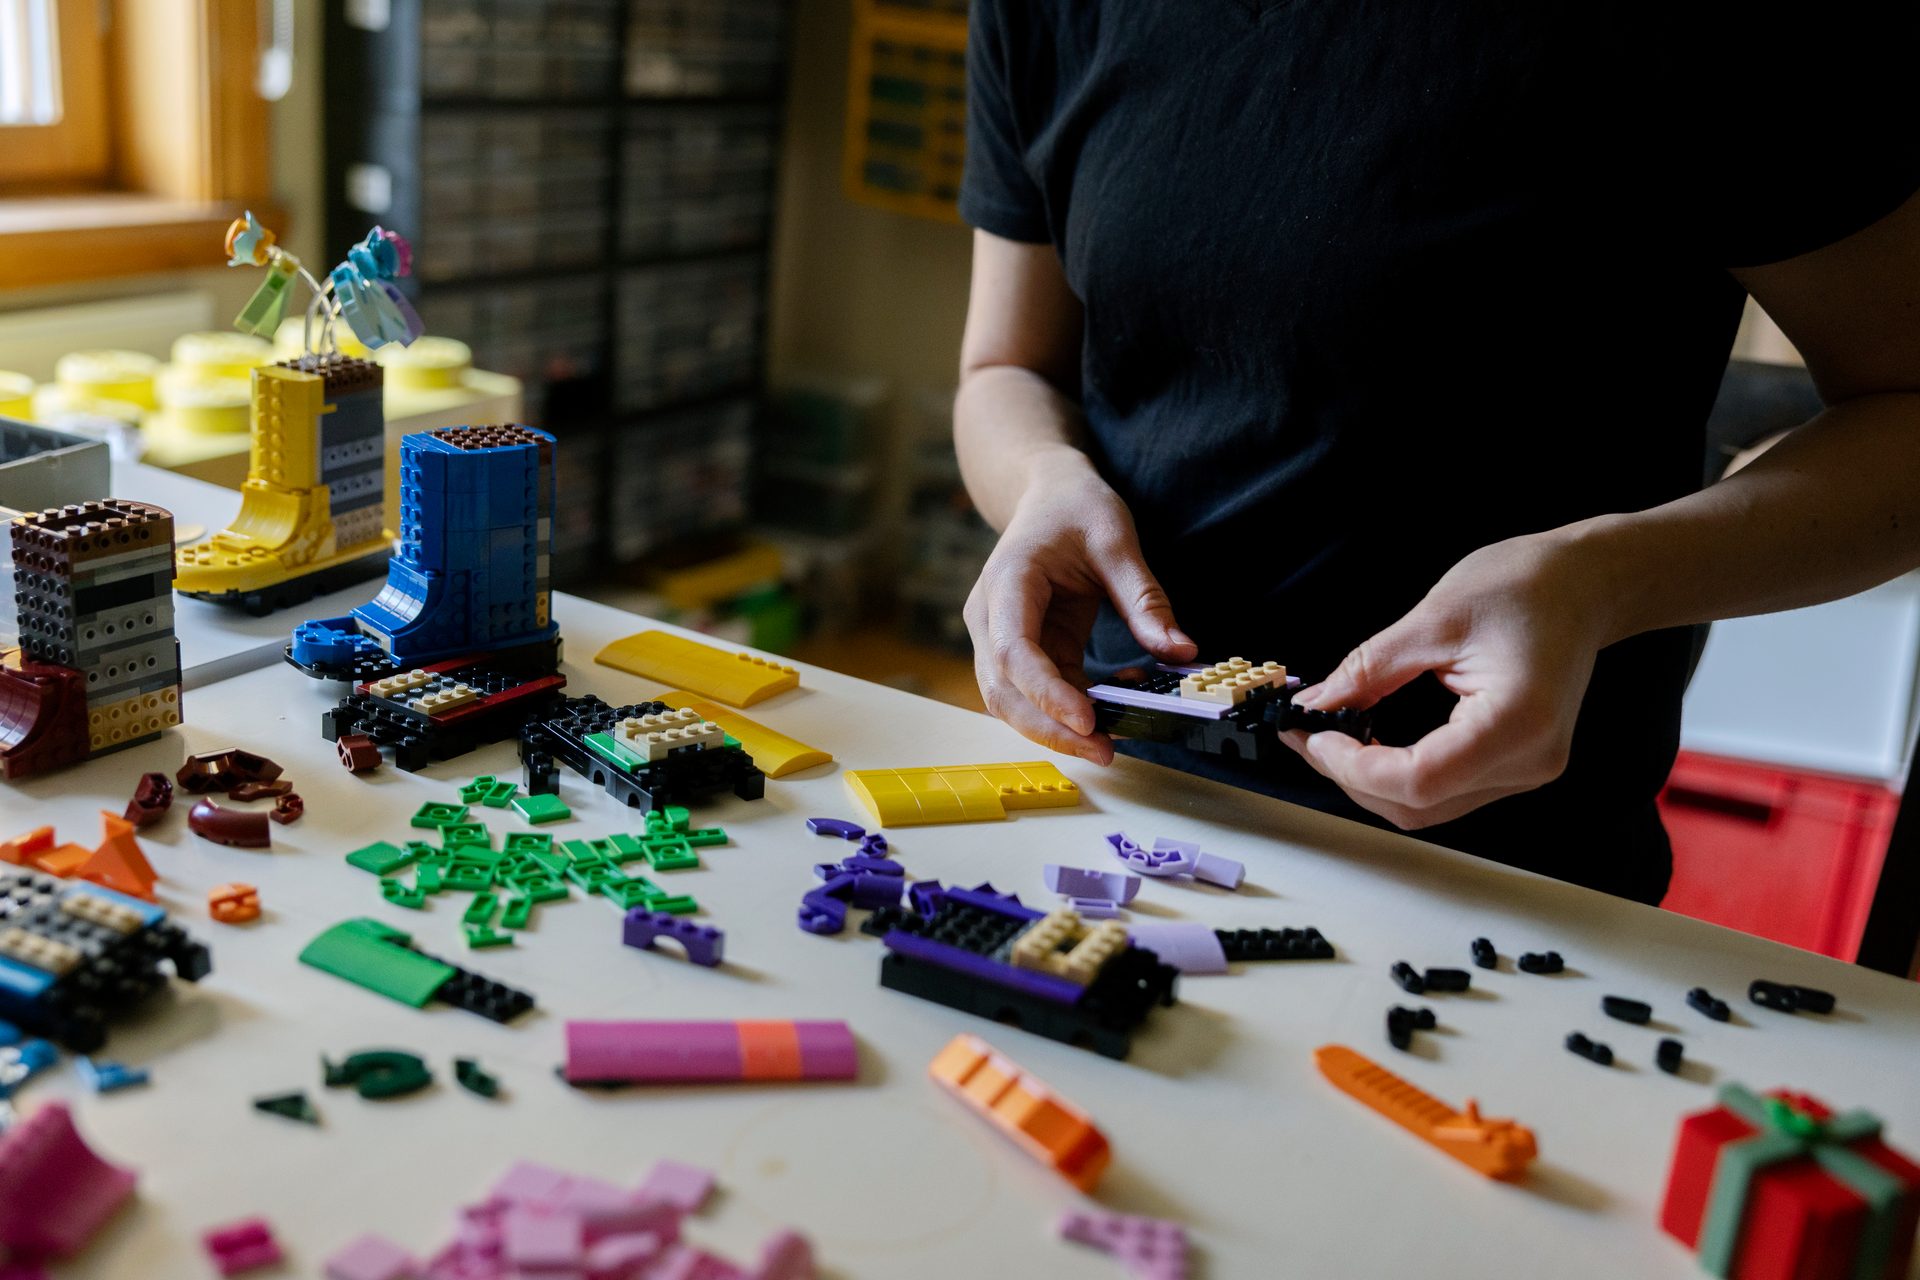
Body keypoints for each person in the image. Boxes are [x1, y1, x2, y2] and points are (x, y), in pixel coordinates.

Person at [951, 4, 1920, 904]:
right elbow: (1005, 367)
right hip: (1121, 810)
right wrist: (1043, 479)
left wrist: (1598, 581)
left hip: (1504, 884)